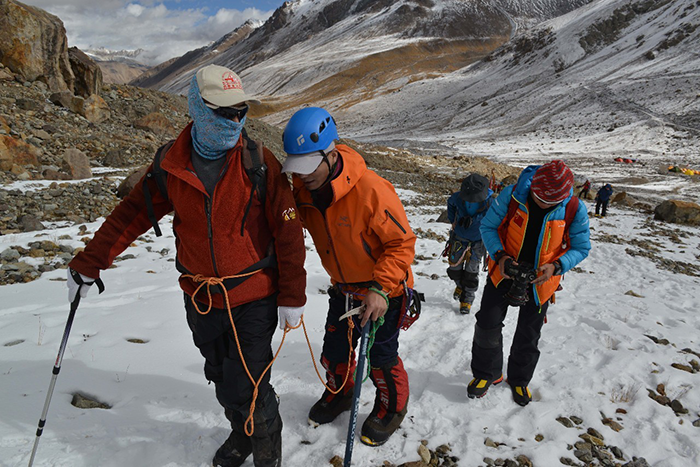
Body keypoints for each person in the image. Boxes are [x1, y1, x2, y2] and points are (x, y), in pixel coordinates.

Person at [66, 64, 307, 467]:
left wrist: (293, 295)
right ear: (196, 108)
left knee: (249, 385)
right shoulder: (171, 164)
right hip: (201, 299)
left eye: (240, 111)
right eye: (223, 111)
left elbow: (288, 230)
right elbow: (132, 215)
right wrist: (91, 262)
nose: (234, 121)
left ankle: (268, 454)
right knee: (221, 377)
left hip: (254, 296)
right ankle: (242, 435)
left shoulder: (258, 161)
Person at [280, 107, 416, 447]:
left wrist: (380, 289)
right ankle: (341, 393)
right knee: (334, 350)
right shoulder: (303, 192)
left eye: (308, 166)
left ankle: (392, 408)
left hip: (384, 291)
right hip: (343, 289)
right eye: (297, 167)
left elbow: (401, 244)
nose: (302, 176)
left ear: (330, 154)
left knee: (381, 356)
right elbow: (288, 222)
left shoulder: (371, 190)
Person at [468, 160, 590, 406]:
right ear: (533, 186)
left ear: (563, 197)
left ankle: (519, 380)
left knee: (529, 333)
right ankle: (486, 373)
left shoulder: (574, 208)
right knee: (487, 323)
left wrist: (556, 267)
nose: (543, 204)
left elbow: (581, 247)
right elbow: (488, 226)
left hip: (542, 281)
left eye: (550, 202)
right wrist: (501, 256)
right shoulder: (512, 195)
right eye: (539, 198)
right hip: (503, 271)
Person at [445, 173, 493, 314]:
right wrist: (453, 220)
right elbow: (450, 204)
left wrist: (474, 220)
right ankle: (460, 286)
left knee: (471, 272)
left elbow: (492, 218)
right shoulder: (457, 197)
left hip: (478, 241)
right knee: (454, 268)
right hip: (459, 238)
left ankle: (467, 299)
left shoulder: (490, 201)